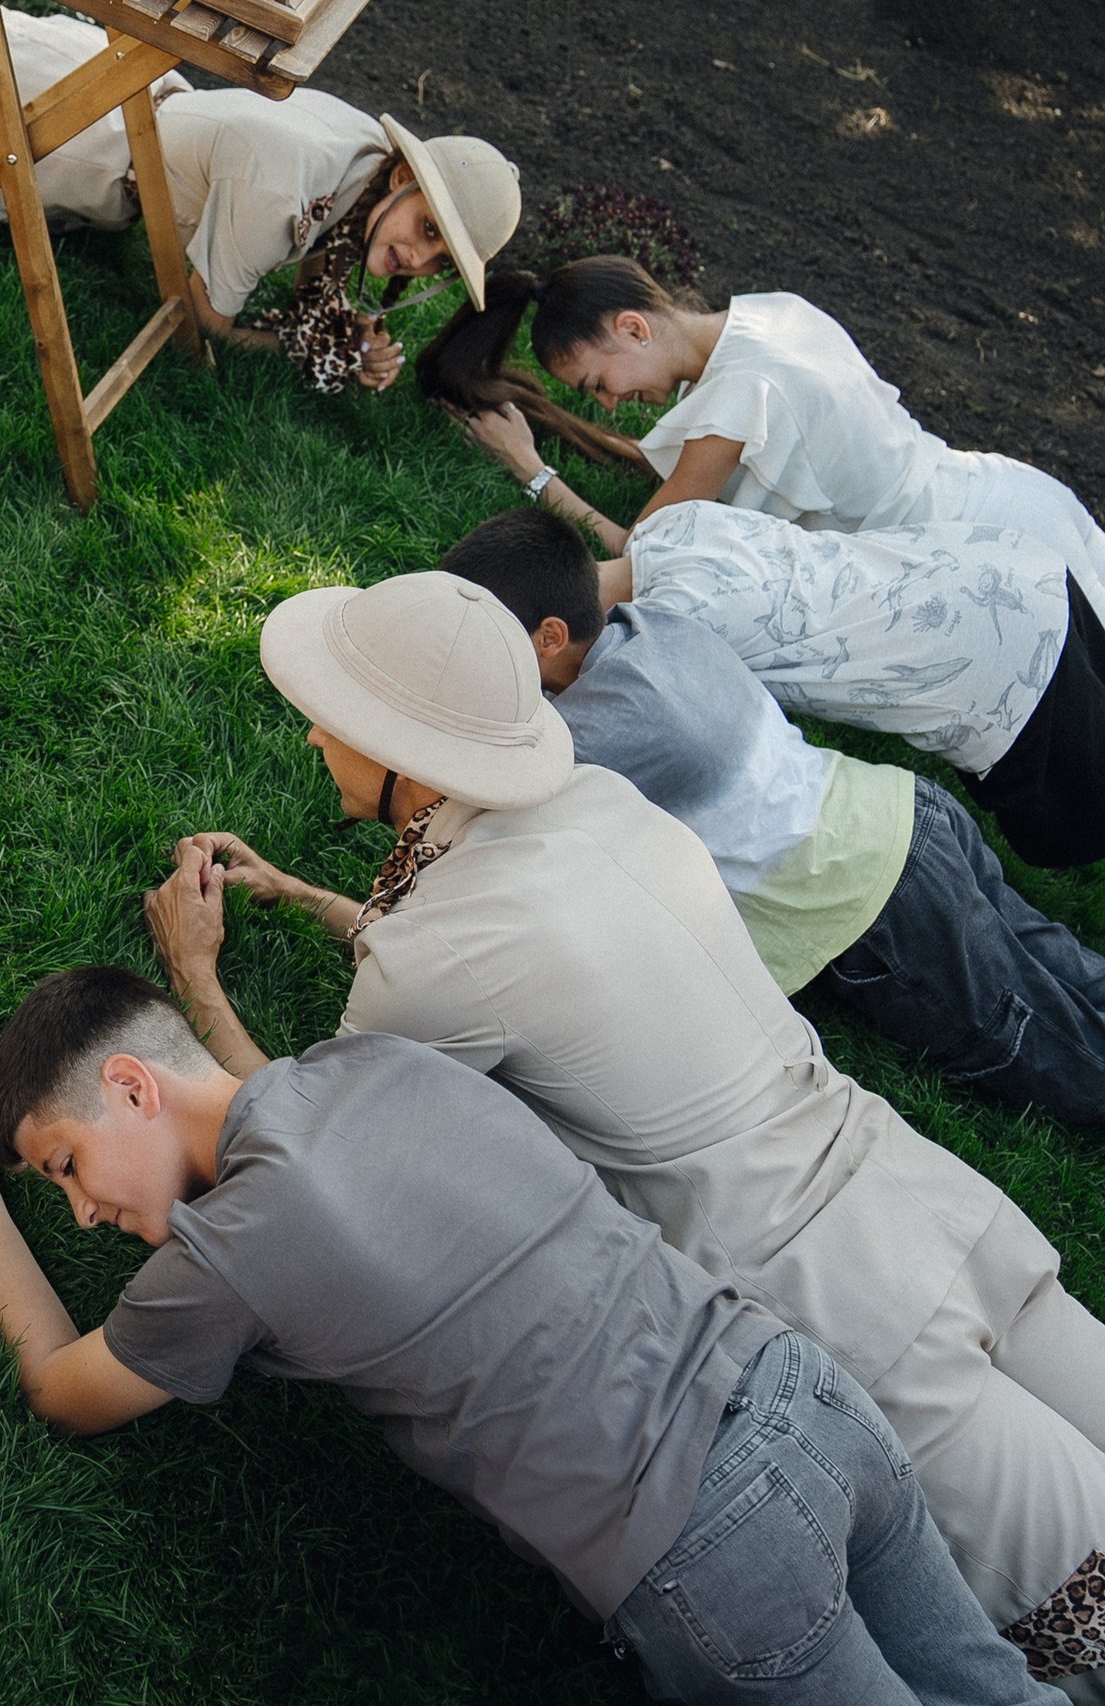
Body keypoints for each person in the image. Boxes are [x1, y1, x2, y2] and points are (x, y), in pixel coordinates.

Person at [141, 569, 1105, 1694]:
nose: (311, 732)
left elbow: (328, 1147)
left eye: (334, 715)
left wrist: (199, 986)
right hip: (926, 1199)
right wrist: (310, 895)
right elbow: (538, 968)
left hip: (836, 1297)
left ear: (405, 751)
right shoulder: (598, 801)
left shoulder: (433, 954)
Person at [0, 968, 1064, 1703]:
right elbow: (259, 1093)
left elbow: (61, 1388)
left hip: (706, 1543)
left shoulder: (229, 1251)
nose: (81, 1210)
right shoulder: (367, 1062)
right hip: (801, 1396)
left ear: (130, 1083)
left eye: (68, 1168)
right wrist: (159, 1022)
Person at [439, 505, 1105, 1122]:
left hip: (874, 905)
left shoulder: (594, 734)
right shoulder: (656, 629)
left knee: (1045, 1048)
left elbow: (476, 810)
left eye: (485, 639)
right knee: (1056, 962)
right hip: (903, 813)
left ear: (551, 636)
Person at [0, 0, 519, 390]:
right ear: (405, 178)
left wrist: (340, 329)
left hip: (100, 84)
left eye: (437, 256)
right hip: (65, 130)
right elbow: (205, 316)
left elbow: (325, 259)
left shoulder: (361, 160)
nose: (415, 255)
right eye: (424, 227)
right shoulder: (287, 184)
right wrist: (305, 349)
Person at [431, 257, 1105, 624]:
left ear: (634, 328)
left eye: (598, 380)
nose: (610, 400)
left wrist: (533, 470)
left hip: (978, 550)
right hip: (1005, 495)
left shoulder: (737, 394)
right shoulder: (774, 312)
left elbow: (648, 553)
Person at [612, 498, 1105, 869]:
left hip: (997, 666)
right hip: (1002, 565)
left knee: (1071, 823)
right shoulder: (665, 528)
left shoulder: (670, 631)